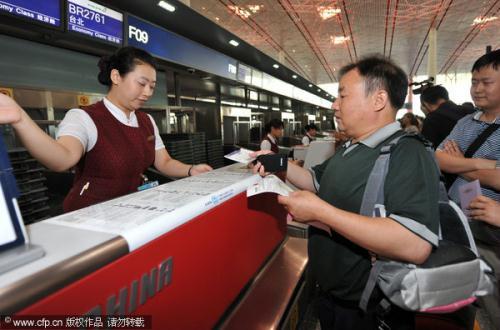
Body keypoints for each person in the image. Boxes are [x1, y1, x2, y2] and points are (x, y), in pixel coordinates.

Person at [254, 56, 440, 329]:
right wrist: (277, 163)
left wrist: (322, 212)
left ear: (378, 100)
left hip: (369, 309)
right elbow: (316, 181)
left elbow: (415, 243)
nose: (334, 105)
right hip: (332, 298)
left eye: (342, 95)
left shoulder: (408, 152)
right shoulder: (352, 148)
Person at [0, 46, 212, 212]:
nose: (147, 92)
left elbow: (164, 162)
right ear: (116, 77)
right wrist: (20, 119)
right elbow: (61, 159)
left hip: (132, 211)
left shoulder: (146, 120)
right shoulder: (84, 117)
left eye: (152, 86)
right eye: (141, 83)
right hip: (90, 215)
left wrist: (190, 169)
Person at [436, 49, 500, 330]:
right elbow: (439, 159)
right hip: (458, 223)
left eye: (486, 82)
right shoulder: (465, 122)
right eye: (474, 82)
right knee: (466, 294)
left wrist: (459, 163)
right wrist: (475, 164)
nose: (477, 89)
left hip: (492, 229)